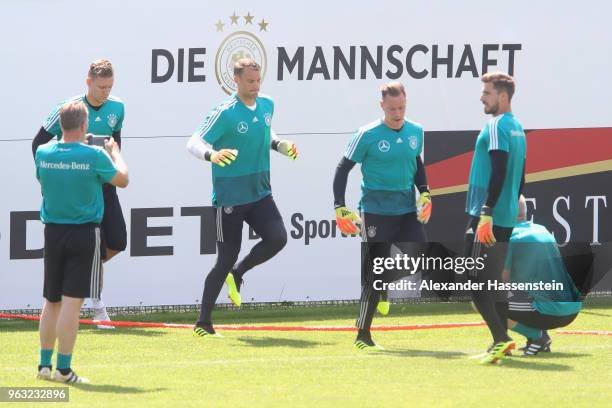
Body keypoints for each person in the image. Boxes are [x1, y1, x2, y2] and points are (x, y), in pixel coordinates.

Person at [187, 58, 298, 337]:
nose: (255, 86)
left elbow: (265, 130)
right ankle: (203, 322)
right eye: (250, 81)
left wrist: (279, 144)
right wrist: (212, 154)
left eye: (258, 80)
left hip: (260, 191)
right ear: (235, 81)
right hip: (230, 197)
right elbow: (193, 142)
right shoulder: (224, 112)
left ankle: (238, 273)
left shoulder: (267, 104)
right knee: (224, 258)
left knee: (278, 238)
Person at [332, 82, 432, 350]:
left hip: (406, 210)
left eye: (401, 107)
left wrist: (425, 192)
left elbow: (416, 162)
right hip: (375, 212)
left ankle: (382, 284)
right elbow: (343, 169)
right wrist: (339, 205)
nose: (397, 113)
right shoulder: (367, 134)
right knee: (373, 275)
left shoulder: (416, 131)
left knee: (419, 257)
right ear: (382, 106)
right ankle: (362, 335)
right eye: (392, 109)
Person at [35, 101, 128, 383]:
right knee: (72, 304)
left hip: (52, 232)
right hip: (84, 233)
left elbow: (43, 178)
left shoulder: (43, 152)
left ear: (61, 125)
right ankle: (64, 369)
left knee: (51, 302)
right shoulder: (95, 155)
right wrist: (116, 153)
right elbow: (122, 180)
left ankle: (43, 366)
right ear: (85, 125)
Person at [32, 59, 126, 329]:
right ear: (88, 82)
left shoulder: (117, 108)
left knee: (118, 240)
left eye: (109, 87)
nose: (105, 92)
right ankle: (97, 306)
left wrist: (111, 159)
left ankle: (75, 273)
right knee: (88, 247)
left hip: (102, 183)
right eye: (100, 87)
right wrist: (53, 177)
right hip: (76, 186)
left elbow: (116, 142)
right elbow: (38, 143)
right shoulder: (71, 109)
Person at [463, 72, 526, 364]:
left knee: (475, 280)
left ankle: (500, 338)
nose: (481, 97)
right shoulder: (518, 127)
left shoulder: (499, 124)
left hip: (486, 215)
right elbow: (521, 178)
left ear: (502, 95)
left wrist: (486, 212)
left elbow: (500, 170)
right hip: (504, 215)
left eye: (486, 92)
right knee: (491, 282)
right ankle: (503, 340)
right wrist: (508, 208)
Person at [504, 196, 582, 356]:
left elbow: (500, 280)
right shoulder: (543, 230)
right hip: (573, 308)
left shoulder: (509, 237)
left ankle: (537, 336)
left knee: (483, 299)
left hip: (549, 311)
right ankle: (539, 339)